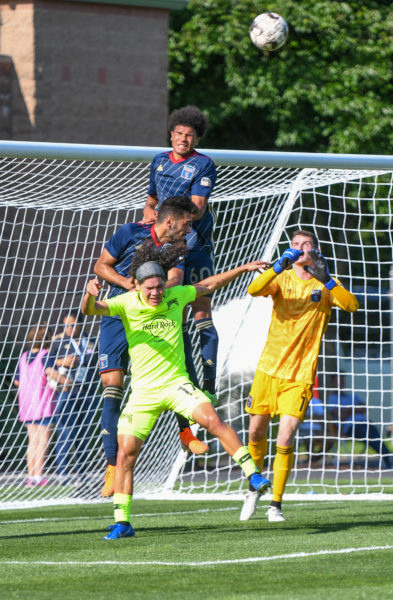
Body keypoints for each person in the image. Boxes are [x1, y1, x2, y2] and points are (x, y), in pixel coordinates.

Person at [81, 243, 272, 540]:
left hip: (176, 384)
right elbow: (92, 310)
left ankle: (253, 474)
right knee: (126, 454)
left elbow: (210, 284)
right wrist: (89, 294)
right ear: (138, 286)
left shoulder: (175, 295)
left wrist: (244, 268)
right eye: (150, 288)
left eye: (159, 286)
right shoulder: (126, 302)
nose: (156, 293)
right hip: (143, 393)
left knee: (212, 419)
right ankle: (123, 522)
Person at [240, 230, 359, 522]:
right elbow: (253, 290)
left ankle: (276, 505)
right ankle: (254, 489)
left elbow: (352, 305)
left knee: (285, 437)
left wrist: (327, 278)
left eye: (306, 244)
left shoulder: (326, 282)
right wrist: (276, 266)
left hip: (301, 376)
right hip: (268, 370)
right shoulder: (281, 278)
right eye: (295, 244)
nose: (299, 248)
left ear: (315, 251)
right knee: (255, 433)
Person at [94, 195, 208, 498]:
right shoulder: (130, 232)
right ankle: (111, 466)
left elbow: (176, 280)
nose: (189, 230)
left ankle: (186, 433)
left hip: (155, 315)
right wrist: (127, 285)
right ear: (170, 221)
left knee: (177, 372)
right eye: (186, 223)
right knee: (112, 386)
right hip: (118, 314)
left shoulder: (178, 248)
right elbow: (101, 266)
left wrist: (150, 292)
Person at [143, 105, 219, 403]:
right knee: (176, 313)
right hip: (168, 248)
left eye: (189, 135)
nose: (183, 139)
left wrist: (168, 216)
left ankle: (210, 384)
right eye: (179, 133)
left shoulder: (203, 164)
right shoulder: (159, 161)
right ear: (171, 134)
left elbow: (197, 209)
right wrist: (151, 214)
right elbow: (150, 200)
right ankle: (189, 380)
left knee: (201, 312)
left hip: (196, 246)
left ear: (196, 138)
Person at [14, 323, 64, 487]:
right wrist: (66, 382)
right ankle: (39, 476)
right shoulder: (45, 355)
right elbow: (50, 372)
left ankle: (31, 477)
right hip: (43, 404)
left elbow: (17, 381)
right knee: (43, 441)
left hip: (27, 405)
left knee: (32, 441)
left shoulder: (24, 356)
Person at [51, 311, 98, 483]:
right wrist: (62, 362)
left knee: (83, 435)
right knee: (65, 432)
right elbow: (47, 363)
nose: (69, 328)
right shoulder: (58, 342)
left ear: (80, 324)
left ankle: (82, 475)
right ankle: (62, 474)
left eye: (72, 325)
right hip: (67, 392)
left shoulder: (92, 341)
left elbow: (98, 363)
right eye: (66, 325)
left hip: (88, 393)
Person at [326, 373, 393, 470]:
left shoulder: (352, 396)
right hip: (350, 427)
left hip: (365, 422)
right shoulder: (332, 399)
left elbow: (363, 408)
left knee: (375, 435)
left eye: (342, 380)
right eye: (338, 381)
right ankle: (389, 458)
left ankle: (389, 458)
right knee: (369, 436)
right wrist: (355, 409)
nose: (341, 383)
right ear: (333, 383)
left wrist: (348, 409)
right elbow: (340, 415)